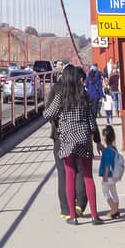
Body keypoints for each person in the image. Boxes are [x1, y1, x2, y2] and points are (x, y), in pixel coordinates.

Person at [44, 64, 102, 225]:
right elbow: (91, 119)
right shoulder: (84, 94)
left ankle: (72, 216)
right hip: (84, 137)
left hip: (67, 138)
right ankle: (94, 216)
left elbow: (48, 113)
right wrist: (96, 139)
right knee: (88, 176)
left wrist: (58, 119)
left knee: (69, 176)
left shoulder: (61, 95)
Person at [98, 123, 124, 219]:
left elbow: (107, 165)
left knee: (105, 193)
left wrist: (105, 176)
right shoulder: (113, 149)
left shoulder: (107, 151)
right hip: (114, 176)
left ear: (104, 138)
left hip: (108, 176)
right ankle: (115, 210)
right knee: (113, 192)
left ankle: (114, 210)